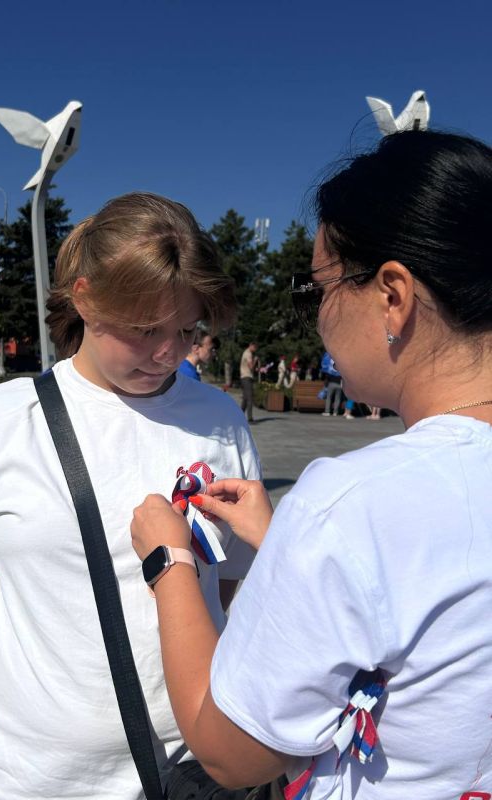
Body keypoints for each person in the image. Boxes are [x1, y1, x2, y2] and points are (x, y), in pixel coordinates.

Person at [130, 131, 492, 799]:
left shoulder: (352, 503)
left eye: (318, 287)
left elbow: (229, 754)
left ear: (393, 296)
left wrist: (167, 561)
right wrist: (287, 545)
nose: (317, 316)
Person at [0, 192, 260, 800]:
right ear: (86, 297)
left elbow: (225, 584)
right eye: (146, 329)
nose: (169, 352)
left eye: (185, 328)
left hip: (188, 768)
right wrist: (43, 683)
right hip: (31, 778)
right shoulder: (1, 420)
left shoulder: (219, 419)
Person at [320, 351, 343, 416]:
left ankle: (327, 411)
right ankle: (335, 412)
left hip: (332, 384)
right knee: (337, 398)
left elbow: (327, 376)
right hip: (339, 385)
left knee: (329, 397)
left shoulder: (330, 369)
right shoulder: (341, 369)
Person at [239, 342, 258, 423]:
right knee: (250, 398)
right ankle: (250, 418)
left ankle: (239, 416)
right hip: (247, 377)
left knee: (245, 399)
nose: (255, 349)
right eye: (255, 347)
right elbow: (251, 367)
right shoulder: (248, 354)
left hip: (243, 377)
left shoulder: (245, 352)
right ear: (251, 346)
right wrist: (255, 360)